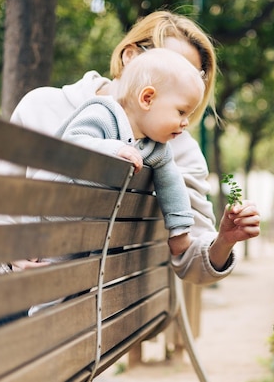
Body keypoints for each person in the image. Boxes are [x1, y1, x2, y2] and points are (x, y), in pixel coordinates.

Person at [0, 10, 261, 285]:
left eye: (192, 76)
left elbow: (191, 259)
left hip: (36, 304)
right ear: (130, 56)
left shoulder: (178, 151)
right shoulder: (44, 105)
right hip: (2, 271)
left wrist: (223, 240)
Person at [35, 47, 204, 257]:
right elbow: (72, 143)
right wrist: (114, 149)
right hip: (52, 218)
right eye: (181, 111)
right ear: (147, 99)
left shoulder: (156, 148)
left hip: (91, 232)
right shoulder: (103, 114)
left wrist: (180, 231)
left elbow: (171, 183)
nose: (186, 122)